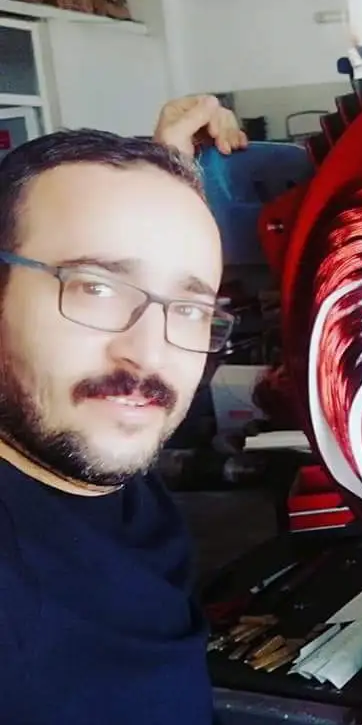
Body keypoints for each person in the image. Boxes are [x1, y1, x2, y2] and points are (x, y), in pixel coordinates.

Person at [0, 94, 246, 724]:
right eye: (96, 288)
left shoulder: (89, 456)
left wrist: (162, 174)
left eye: (188, 308)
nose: (148, 353)